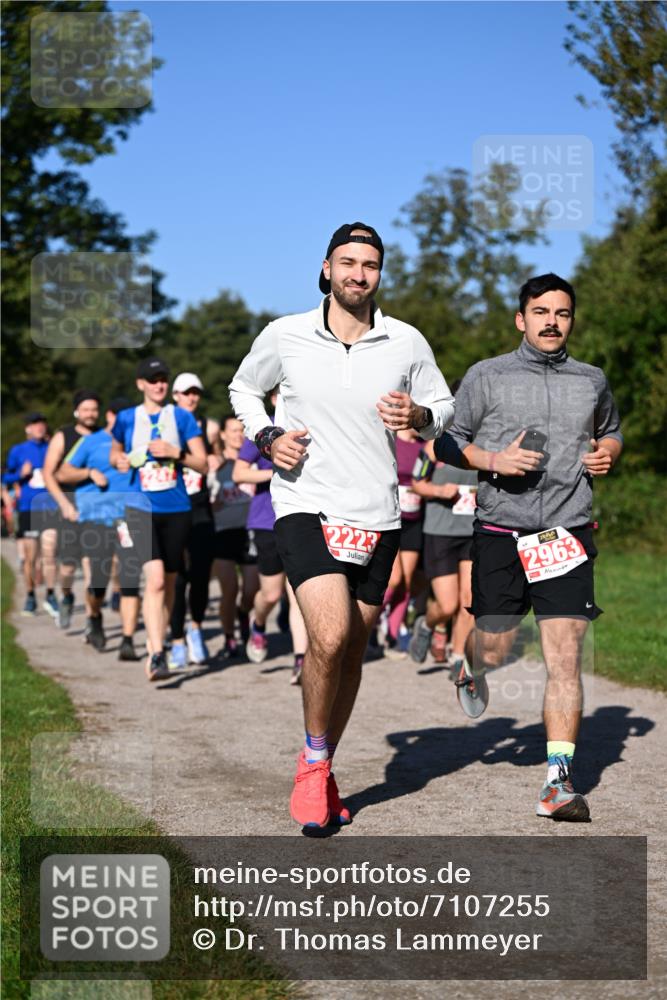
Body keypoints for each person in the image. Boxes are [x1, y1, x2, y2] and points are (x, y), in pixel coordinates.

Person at [230, 221, 454, 828]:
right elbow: (244, 389)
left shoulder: (405, 342)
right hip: (306, 503)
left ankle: (323, 764)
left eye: (371, 265)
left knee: (351, 650)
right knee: (326, 638)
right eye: (348, 262)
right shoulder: (287, 334)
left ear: (380, 273)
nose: (360, 274)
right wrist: (268, 434)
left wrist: (421, 413)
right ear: (326, 268)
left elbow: (445, 409)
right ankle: (309, 766)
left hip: (378, 514)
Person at [436, 273, 623, 822]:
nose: (551, 322)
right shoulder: (486, 376)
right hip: (500, 532)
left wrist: (606, 452)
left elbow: (611, 429)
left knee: (565, 657)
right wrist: (493, 461)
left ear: (571, 320)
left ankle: (557, 784)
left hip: (567, 532)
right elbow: (447, 439)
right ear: (521, 319)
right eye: (540, 312)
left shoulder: (590, 380)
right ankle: (471, 665)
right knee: (497, 649)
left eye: (562, 314)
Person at [110, 357, 207, 681]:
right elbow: (115, 454)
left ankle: (158, 641)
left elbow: (203, 463)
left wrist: (174, 452)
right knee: (154, 580)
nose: (159, 384)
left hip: (177, 508)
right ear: (140, 384)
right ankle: (156, 654)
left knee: (168, 584)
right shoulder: (126, 419)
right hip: (139, 507)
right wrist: (121, 461)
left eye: (163, 378)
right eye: (152, 379)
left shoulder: (181, 417)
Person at [232, 394, 308, 684]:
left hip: (302, 519)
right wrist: (273, 472)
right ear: (276, 397)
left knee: (298, 593)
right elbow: (239, 473)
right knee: (271, 594)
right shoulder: (263, 430)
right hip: (266, 521)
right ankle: (258, 622)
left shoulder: (309, 428)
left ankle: (300, 660)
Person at [59, 397, 141, 659]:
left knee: (130, 579)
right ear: (108, 416)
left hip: (128, 519)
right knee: (99, 581)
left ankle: (127, 640)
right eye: (117, 417)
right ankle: (94, 616)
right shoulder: (90, 442)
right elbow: (62, 473)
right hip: (95, 518)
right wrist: (89, 473)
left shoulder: (136, 442)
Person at [409, 381, 477, 677]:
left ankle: (458, 657)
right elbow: (417, 484)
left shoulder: (485, 443)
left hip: (474, 531)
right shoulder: (433, 444)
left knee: (470, 600)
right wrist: (440, 491)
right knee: (448, 605)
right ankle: (426, 623)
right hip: (440, 531)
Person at [167, 373, 218, 668]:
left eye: (195, 393)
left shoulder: (208, 427)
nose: (191, 397)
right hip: (172, 506)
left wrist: (217, 460)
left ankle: (195, 629)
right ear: (175, 395)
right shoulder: (164, 424)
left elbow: (219, 455)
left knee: (200, 573)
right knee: (177, 577)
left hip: (200, 506)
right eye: (186, 393)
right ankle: (175, 641)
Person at [42, 389, 101, 628]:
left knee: (91, 564)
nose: (90, 414)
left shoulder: (103, 436)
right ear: (77, 411)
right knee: (67, 566)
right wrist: (64, 505)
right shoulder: (63, 435)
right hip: (69, 505)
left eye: (94, 409)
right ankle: (66, 595)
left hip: (95, 509)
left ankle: (90, 618)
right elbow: (49, 473)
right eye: (85, 409)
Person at [211, 414, 258, 658]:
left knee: (252, 589)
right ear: (222, 434)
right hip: (223, 532)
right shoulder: (215, 465)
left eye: (242, 429)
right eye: (232, 430)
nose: (238, 434)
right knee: (229, 588)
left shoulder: (254, 460)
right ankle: (229, 637)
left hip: (251, 530)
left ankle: (244, 613)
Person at [3, 413, 60, 615]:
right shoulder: (18, 451)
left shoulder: (53, 448)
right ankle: (30, 595)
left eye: (42, 425)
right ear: (27, 428)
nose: (40, 428)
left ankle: (51, 594)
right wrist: (20, 474)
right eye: (35, 425)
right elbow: (6, 477)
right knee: (31, 557)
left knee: (50, 553)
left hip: (50, 507)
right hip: (27, 508)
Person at [379, 427, 425, 657]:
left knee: (405, 581)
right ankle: (367, 621)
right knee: (393, 578)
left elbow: (427, 475)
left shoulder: (424, 447)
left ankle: (392, 636)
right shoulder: (391, 441)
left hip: (414, 520)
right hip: (390, 517)